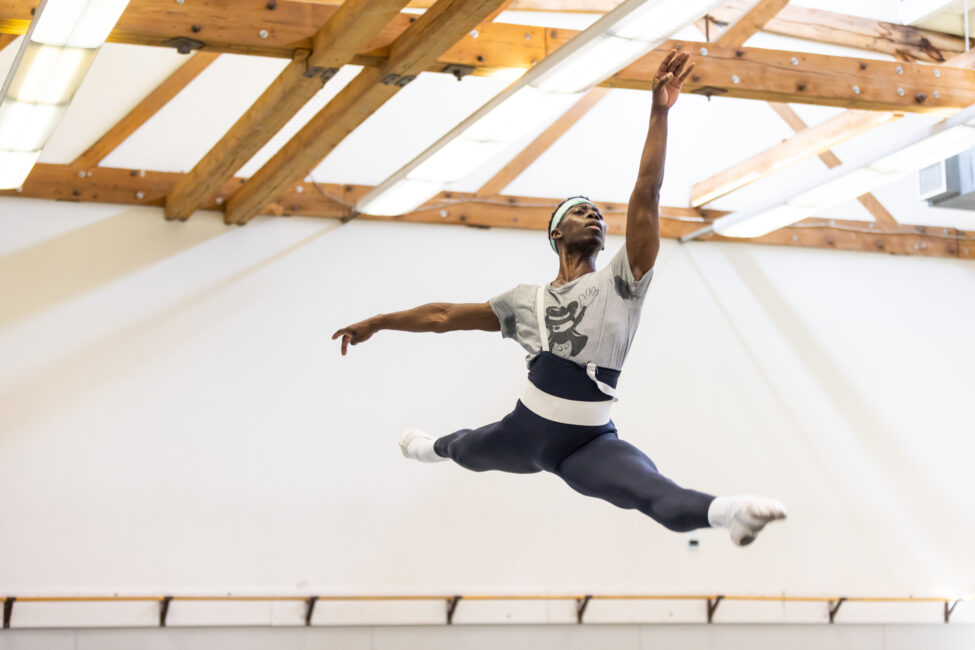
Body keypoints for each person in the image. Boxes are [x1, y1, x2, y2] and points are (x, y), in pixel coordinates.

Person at [332, 51, 786, 546]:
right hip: (524, 431)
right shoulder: (523, 300)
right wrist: (378, 321)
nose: (595, 216)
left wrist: (659, 112)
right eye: (580, 211)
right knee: (462, 449)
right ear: (555, 232)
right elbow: (444, 315)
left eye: (599, 215)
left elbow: (647, 193)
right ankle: (425, 450)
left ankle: (727, 513)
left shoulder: (622, 281)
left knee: (653, 492)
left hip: (587, 443)